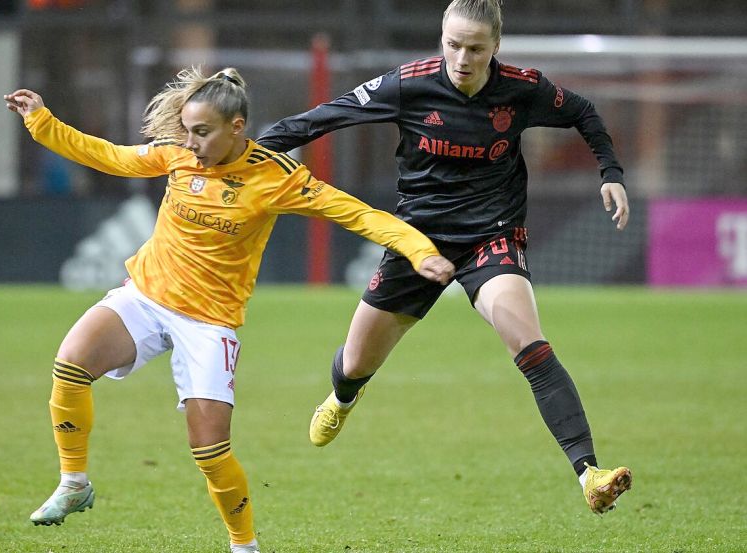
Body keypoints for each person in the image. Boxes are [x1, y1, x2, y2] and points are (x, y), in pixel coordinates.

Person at [4, 67, 455, 552]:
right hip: (147, 295)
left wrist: (420, 250)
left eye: (202, 132)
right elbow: (109, 157)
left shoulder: (275, 178)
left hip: (208, 322)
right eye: (188, 130)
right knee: (70, 364)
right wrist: (41, 121)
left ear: (236, 127)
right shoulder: (177, 156)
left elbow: (357, 213)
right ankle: (74, 483)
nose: (191, 142)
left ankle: (244, 546)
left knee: (209, 450)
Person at [258, 0, 632, 515]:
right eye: (453, 44)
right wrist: (253, 152)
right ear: (441, 39)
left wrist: (610, 172)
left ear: (495, 48)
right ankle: (343, 397)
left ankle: (590, 473)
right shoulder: (408, 84)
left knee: (531, 346)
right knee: (353, 364)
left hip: (492, 234)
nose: (462, 57)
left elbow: (584, 113)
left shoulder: (523, 89)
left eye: (476, 48)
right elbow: (325, 118)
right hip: (418, 241)